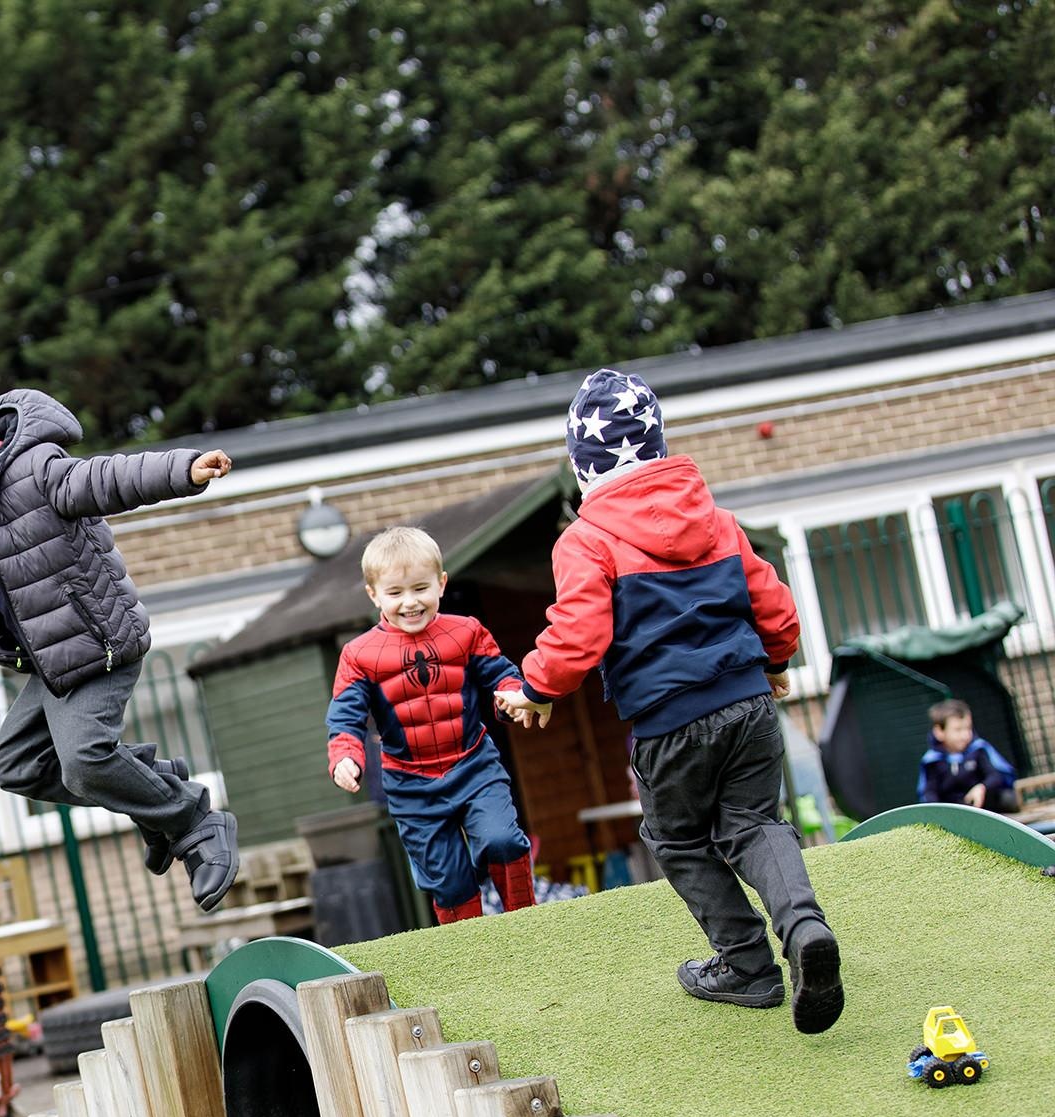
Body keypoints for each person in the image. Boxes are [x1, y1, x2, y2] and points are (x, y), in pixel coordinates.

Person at [496, 368, 844, 1035]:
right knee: (755, 825)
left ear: (582, 467)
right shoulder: (716, 521)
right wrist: (775, 662)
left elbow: (580, 631)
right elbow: (774, 605)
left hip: (669, 721)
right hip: (748, 704)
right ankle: (804, 928)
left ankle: (748, 965)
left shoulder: (586, 540)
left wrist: (537, 687)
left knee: (678, 839)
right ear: (657, 445)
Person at [0, 386, 242, 911]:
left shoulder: (35, 474)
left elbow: (105, 479)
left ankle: (193, 819)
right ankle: (152, 791)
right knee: (14, 764)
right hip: (50, 661)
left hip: (99, 644)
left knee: (84, 761)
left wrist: (184, 470)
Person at [326, 526, 536, 925]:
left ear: (441, 583)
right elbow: (345, 714)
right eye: (395, 593)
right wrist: (345, 755)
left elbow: (501, 675)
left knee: (502, 840)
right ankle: (468, 945)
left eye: (420, 588)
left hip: (473, 765)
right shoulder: (358, 654)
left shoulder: (467, 631)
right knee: (449, 881)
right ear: (374, 595)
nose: (410, 602)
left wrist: (513, 696)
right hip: (410, 784)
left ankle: (526, 921)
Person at [918, 699, 1020, 812]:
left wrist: (982, 787)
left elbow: (996, 776)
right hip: (954, 813)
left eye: (968, 728)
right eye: (958, 730)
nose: (965, 735)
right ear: (939, 732)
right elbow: (929, 793)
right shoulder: (932, 761)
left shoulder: (978, 749)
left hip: (985, 808)